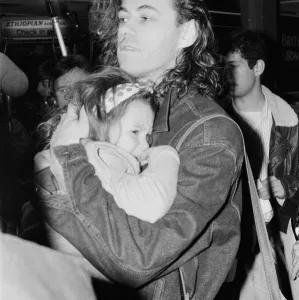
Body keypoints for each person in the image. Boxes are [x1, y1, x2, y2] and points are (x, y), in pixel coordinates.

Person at [37, 1, 244, 299]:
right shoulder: (110, 101)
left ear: (187, 33)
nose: (127, 29)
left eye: (145, 17)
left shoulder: (209, 134)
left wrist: (67, 160)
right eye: (123, 17)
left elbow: (137, 260)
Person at [35, 67, 180, 225]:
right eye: (134, 131)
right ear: (100, 123)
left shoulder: (90, 154)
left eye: (148, 135)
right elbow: (151, 206)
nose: (146, 143)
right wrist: (167, 155)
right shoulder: (104, 156)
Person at [225, 30, 299, 300]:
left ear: (258, 67)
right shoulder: (216, 120)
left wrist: (286, 185)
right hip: (237, 235)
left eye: (234, 67)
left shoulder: (289, 120)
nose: (227, 75)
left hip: (277, 231)